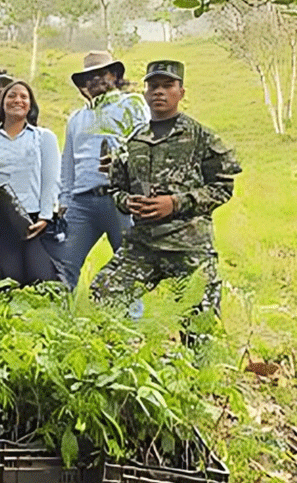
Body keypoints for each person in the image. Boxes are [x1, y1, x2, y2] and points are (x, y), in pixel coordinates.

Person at [91, 60, 241, 316]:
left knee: (199, 325)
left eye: (167, 86)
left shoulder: (202, 137)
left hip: (189, 247)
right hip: (143, 246)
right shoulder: (134, 141)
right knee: (103, 295)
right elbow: (117, 189)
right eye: (153, 86)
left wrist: (175, 203)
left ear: (180, 92)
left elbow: (222, 187)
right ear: (146, 94)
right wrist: (128, 202)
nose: (159, 92)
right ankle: (124, 352)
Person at [61, 51, 148, 288]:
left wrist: (122, 162)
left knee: (127, 265)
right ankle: (60, 319)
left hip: (119, 199)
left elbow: (147, 148)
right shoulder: (77, 118)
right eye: (89, 77)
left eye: (103, 73)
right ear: (82, 85)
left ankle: (131, 322)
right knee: (63, 265)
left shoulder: (132, 104)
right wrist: (64, 201)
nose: (96, 80)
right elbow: (68, 166)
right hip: (81, 203)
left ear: (115, 76)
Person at [0, 80, 62, 286]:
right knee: (8, 280)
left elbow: (51, 180)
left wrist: (45, 217)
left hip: (35, 220)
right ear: (2, 103)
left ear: (30, 105)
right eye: (12, 96)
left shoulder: (43, 137)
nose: (17, 100)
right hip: (0, 218)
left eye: (24, 96)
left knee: (41, 279)